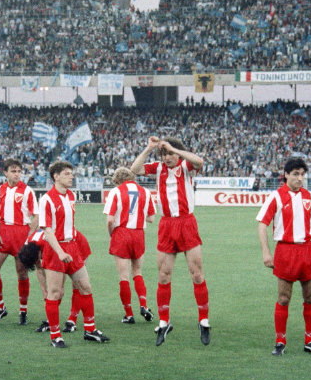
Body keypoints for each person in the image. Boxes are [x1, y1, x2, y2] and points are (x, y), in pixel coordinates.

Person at [129, 136, 211, 347]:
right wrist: (149, 148)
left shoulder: (186, 165)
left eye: (170, 154)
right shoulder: (157, 168)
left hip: (187, 223)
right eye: (164, 154)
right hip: (166, 225)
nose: (167, 158)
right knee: (164, 276)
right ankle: (164, 322)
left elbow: (200, 161)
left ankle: (204, 321)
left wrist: (174, 148)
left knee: (197, 274)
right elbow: (135, 170)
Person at [257, 158, 311, 356]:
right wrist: (266, 252)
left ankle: (310, 340)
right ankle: (280, 341)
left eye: (302, 174)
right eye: (295, 174)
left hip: (307, 250)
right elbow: (262, 225)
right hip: (285, 251)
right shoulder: (276, 197)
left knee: (310, 297)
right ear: (286, 174)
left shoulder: (310, 198)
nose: (299, 178)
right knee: (284, 298)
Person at [38, 160, 109, 348]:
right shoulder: (47, 199)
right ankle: (55, 336)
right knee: (54, 292)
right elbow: (47, 231)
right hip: (55, 250)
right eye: (67, 174)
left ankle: (90, 330)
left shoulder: (70, 196)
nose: (72, 177)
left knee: (85, 287)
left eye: (72, 173)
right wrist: (60, 252)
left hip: (72, 248)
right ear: (56, 176)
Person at [0, 158, 38, 326]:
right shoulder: (0, 190)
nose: (17, 174)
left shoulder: (27, 191)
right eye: (13, 171)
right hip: (3, 233)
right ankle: (0, 307)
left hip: (21, 233)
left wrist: (29, 237)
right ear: (5, 173)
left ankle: (23, 310)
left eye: (19, 171)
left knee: (22, 274)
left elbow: (36, 216)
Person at [103, 167, 156, 324]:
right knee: (137, 272)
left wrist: (111, 234)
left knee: (123, 276)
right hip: (138, 234)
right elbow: (152, 218)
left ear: (118, 179)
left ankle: (129, 314)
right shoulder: (146, 192)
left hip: (122, 233)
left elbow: (110, 220)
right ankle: (144, 305)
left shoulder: (116, 192)